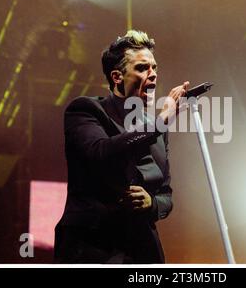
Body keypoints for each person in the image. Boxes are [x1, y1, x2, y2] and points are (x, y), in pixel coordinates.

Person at [54, 30, 189, 263]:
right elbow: (100, 152)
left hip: (143, 252)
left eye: (154, 67)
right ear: (117, 77)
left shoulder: (155, 129)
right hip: (93, 248)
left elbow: (166, 194)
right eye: (142, 68)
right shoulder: (86, 110)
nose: (153, 74)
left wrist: (151, 203)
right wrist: (160, 122)